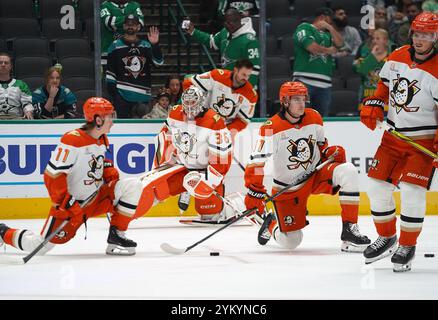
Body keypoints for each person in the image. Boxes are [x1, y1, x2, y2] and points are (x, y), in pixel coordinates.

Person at [0, 97, 142, 256]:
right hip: (72, 207)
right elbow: (52, 175)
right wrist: (65, 202)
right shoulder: (72, 140)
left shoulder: (101, 139)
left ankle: (117, 236)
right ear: (98, 120)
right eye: (110, 116)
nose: (113, 121)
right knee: (37, 246)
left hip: (95, 198)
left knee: (133, 185)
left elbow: (96, 160)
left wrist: (107, 168)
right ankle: (2, 232)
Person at [244, 81, 370, 252]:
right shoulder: (270, 128)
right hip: (288, 189)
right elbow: (256, 161)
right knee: (292, 242)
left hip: (315, 176)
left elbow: (321, 148)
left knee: (348, 170)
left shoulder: (315, 117)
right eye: (296, 99)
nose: (301, 103)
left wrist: (330, 152)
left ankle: (350, 231)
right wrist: (254, 189)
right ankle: (271, 223)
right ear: (285, 102)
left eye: (303, 99)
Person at [360, 12, 438, 272]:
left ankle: (407, 244)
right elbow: (384, 85)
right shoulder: (397, 56)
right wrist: (374, 104)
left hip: (424, 143)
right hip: (393, 138)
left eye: (426, 35)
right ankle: (387, 237)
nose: (420, 40)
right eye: (417, 34)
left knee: (412, 192)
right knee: (376, 186)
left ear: (436, 38)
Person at [133, 86, 233, 223]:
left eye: (193, 102)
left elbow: (222, 158)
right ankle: (124, 214)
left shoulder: (214, 121)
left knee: (209, 214)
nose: (190, 107)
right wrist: (162, 163)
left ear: (201, 102)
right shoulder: (175, 113)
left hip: (204, 172)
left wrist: (209, 181)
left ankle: (233, 206)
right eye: (187, 102)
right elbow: (164, 135)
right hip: (183, 167)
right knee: (156, 188)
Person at [184, 8, 260, 89]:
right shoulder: (225, 32)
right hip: (226, 84)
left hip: (240, 88)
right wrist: (193, 31)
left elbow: (254, 69)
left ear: (238, 21)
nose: (226, 25)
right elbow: (211, 41)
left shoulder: (250, 41)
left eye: (229, 23)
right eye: (225, 22)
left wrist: (247, 91)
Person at [182, 59, 258, 140]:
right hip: (201, 121)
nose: (246, 78)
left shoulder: (251, 95)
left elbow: (243, 121)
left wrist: (228, 131)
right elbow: (188, 83)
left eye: (248, 75)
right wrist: (193, 109)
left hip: (223, 130)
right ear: (235, 70)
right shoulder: (217, 76)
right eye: (243, 74)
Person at [106, 14, 163, 118]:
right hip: (122, 97)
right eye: (128, 24)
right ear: (123, 26)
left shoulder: (146, 45)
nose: (130, 26)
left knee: (144, 130)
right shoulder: (115, 45)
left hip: (143, 97)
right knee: (122, 128)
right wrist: (115, 96)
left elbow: (158, 64)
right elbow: (110, 74)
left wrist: (155, 45)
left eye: (133, 24)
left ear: (138, 26)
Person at [292, 7, 344, 117]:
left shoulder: (328, 34)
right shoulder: (304, 27)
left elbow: (340, 44)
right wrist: (328, 50)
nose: (332, 23)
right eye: (330, 20)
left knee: (320, 121)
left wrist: (330, 28)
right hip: (304, 82)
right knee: (300, 118)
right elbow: (311, 47)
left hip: (325, 85)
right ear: (323, 17)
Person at [353, 29, 394, 106]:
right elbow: (361, 71)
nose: (374, 41)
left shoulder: (392, 58)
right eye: (373, 38)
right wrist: (372, 56)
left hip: (386, 102)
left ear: (385, 41)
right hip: (367, 99)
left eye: (378, 38)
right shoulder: (365, 57)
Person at [100, 0, 145, 66]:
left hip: (130, 51)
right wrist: (131, 20)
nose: (129, 25)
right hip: (108, 50)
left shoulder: (134, 5)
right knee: (108, 75)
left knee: (129, 72)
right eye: (126, 25)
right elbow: (109, 22)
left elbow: (140, 23)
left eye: (130, 24)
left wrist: (116, 22)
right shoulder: (106, 5)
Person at [0, 52, 33, 120]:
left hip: (16, 119)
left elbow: (27, 103)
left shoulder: (21, 85)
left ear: (11, 66)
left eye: (6, 63)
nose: (3, 65)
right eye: (0, 62)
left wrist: (28, 111)